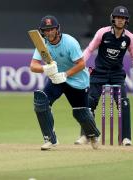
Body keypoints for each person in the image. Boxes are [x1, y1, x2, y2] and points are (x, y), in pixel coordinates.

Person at [30, 15, 100, 151]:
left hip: (77, 80)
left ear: (57, 29)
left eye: (52, 29)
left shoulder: (70, 42)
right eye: (46, 30)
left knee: (80, 113)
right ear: (42, 31)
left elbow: (81, 64)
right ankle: (50, 139)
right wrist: (45, 68)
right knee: (41, 100)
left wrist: (66, 74)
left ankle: (93, 134)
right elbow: (33, 66)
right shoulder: (42, 44)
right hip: (57, 80)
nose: (49, 32)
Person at [74, 6, 133, 146]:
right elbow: (90, 49)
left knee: (124, 103)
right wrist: (80, 64)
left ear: (126, 20)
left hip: (117, 73)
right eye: (118, 17)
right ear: (113, 18)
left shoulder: (129, 37)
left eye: (123, 18)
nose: (120, 20)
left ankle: (125, 138)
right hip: (99, 72)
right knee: (90, 102)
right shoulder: (102, 33)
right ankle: (86, 135)